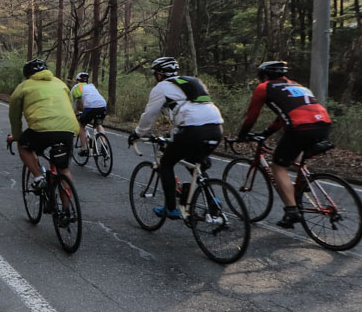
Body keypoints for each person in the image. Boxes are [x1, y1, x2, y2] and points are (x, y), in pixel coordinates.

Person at [236, 60, 333, 228]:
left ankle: (291, 211)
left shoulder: (264, 87)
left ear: (264, 76)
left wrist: (243, 134)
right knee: (296, 155)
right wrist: (266, 133)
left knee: (278, 166)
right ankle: (302, 182)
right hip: (323, 124)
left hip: (301, 128)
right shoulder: (297, 85)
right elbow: (283, 117)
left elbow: (251, 116)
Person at [131, 56, 224, 219]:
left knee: (166, 163)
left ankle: (171, 208)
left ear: (159, 75)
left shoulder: (161, 87)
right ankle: (213, 202)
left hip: (192, 128)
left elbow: (149, 115)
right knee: (195, 163)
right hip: (216, 126)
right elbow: (192, 110)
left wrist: (137, 133)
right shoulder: (193, 82)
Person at [6, 58, 79, 192]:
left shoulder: (24, 86)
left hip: (42, 129)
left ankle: (39, 177)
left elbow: (14, 115)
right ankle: (67, 210)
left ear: (27, 75)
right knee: (63, 169)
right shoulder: (60, 83)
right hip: (68, 129)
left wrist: (17, 135)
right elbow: (69, 105)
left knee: (23, 145)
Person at [70, 72, 108, 157]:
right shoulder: (92, 86)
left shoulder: (76, 87)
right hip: (103, 105)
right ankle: (104, 144)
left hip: (90, 107)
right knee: (99, 124)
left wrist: (73, 114)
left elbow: (72, 104)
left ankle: (84, 149)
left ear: (77, 81)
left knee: (81, 126)